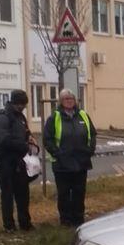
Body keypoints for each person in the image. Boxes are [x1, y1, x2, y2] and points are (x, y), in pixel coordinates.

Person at [43, 89, 97, 227]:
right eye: (66, 99)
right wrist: (57, 153)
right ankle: (66, 220)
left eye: (71, 98)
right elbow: (47, 139)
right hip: (62, 164)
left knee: (79, 192)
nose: (69, 101)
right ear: (61, 101)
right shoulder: (54, 117)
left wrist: (89, 150)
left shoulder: (83, 115)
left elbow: (92, 134)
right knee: (64, 193)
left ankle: (78, 219)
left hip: (81, 162)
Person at [0, 89, 36, 232]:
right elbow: (4, 140)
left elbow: (25, 131)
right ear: (14, 102)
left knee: (23, 192)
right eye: (20, 104)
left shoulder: (21, 117)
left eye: (24, 104)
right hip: (5, 161)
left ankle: (25, 223)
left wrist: (30, 137)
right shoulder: (3, 117)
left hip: (20, 161)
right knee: (7, 193)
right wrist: (23, 145)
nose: (22, 107)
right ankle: (9, 225)